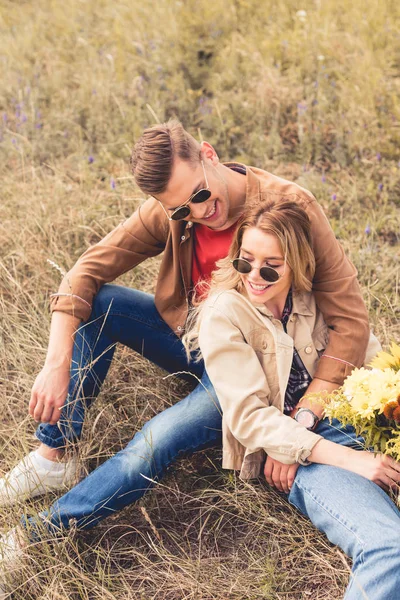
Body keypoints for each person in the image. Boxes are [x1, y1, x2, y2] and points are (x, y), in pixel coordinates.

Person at [0, 120, 371, 590]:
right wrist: (57, 362)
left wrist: (306, 410)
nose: (199, 212)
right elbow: (84, 271)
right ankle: (56, 453)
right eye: (181, 209)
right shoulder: (178, 212)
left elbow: (351, 322)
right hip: (195, 339)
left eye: (200, 195)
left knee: (151, 444)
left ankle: (33, 538)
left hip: (245, 366)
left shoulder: (289, 206)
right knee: (101, 301)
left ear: (209, 155)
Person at [184, 198, 400, 599]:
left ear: (296, 264)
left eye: (272, 265)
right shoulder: (224, 314)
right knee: (390, 548)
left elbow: (361, 354)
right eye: (245, 260)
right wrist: (350, 459)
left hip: (347, 417)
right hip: (309, 455)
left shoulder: (312, 297)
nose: (255, 275)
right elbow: (249, 417)